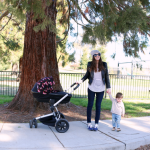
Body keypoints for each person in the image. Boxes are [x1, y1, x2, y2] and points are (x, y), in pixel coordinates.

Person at [76, 50, 111, 131]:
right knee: (90, 105)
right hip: (92, 87)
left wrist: (109, 87)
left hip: (101, 88)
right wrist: (80, 81)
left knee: (98, 106)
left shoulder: (104, 64)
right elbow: (87, 75)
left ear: (100, 55)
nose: (97, 56)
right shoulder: (90, 64)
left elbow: (107, 76)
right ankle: (88, 123)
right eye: (95, 55)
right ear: (93, 56)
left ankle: (96, 124)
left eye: (98, 54)